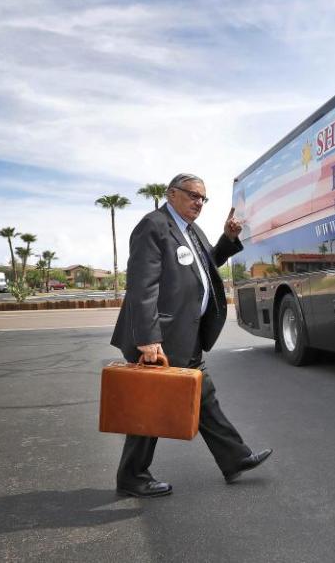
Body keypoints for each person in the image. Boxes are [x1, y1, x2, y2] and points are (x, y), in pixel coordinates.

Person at [110, 173, 271, 498]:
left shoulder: (191, 230)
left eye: (203, 198)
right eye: (192, 195)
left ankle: (234, 458)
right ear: (171, 194)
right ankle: (132, 476)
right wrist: (147, 337)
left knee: (204, 399)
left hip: (186, 336)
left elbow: (206, 265)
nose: (199, 202)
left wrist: (227, 238)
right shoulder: (154, 226)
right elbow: (142, 285)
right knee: (149, 409)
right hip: (160, 338)